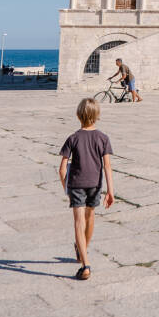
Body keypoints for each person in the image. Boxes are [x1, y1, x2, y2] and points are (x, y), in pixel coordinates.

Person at [59, 98, 114, 281]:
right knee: (90, 218)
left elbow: (62, 169)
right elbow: (107, 166)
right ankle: (83, 250)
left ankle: (85, 265)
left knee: (78, 222)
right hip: (95, 184)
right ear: (97, 115)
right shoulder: (103, 138)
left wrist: (66, 187)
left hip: (76, 184)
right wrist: (111, 191)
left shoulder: (73, 138)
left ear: (78, 115)